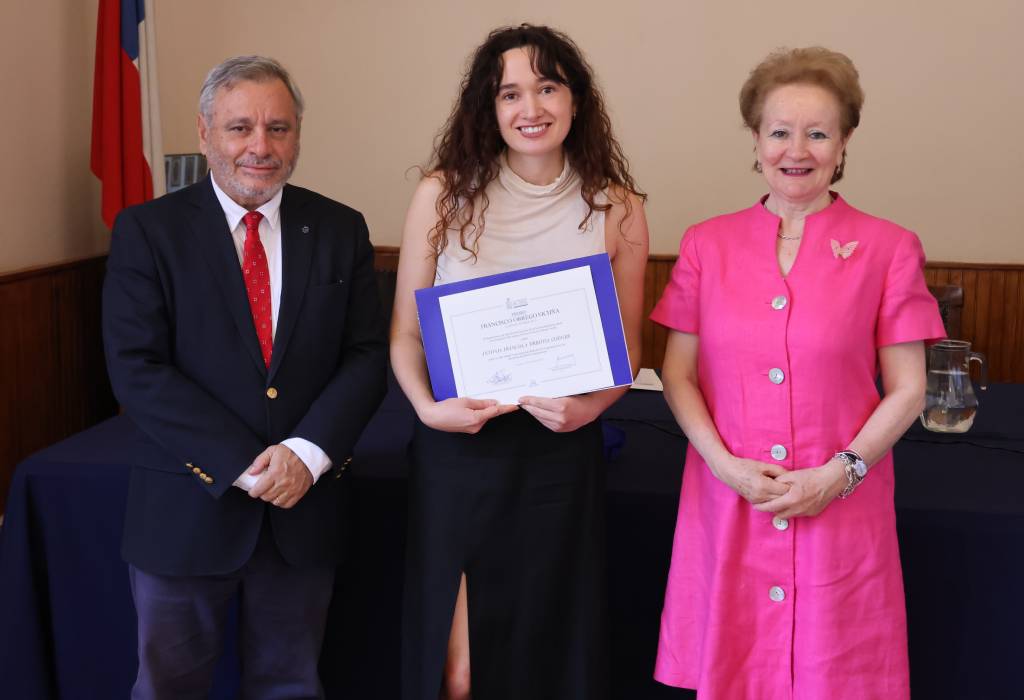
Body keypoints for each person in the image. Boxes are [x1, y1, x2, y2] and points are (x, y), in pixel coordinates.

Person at [650, 47, 946, 699]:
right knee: (735, 670)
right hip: (729, 499)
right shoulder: (706, 244)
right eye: (780, 131)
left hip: (840, 501)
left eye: (818, 132)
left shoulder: (889, 247)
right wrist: (724, 466)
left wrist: (840, 474)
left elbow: (908, 387)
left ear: (844, 144)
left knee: (835, 675)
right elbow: (678, 374)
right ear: (755, 141)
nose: (797, 149)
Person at [102, 55, 387, 699]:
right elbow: (136, 368)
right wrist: (245, 462)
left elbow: (366, 355)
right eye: (240, 128)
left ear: (297, 136)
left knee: (290, 684)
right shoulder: (148, 232)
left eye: (278, 128)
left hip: (303, 511)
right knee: (168, 687)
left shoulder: (341, 228)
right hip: (185, 513)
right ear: (205, 134)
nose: (260, 146)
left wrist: (304, 456)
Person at [390, 24, 649, 700]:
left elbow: (627, 351)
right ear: (488, 107)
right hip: (459, 451)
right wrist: (426, 408)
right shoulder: (442, 195)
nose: (529, 107)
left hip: (559, 454)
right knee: (460, 672)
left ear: (576, 100)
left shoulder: (617, 208)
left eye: (547, 86)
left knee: (548, 655)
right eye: (510, 93)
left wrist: (589, 407)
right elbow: (404, 337)